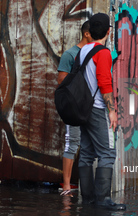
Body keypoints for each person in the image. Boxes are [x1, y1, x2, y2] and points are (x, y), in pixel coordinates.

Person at [78, 13, 126, 210]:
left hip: (83, 109)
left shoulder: (83, 51)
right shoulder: (103, 53)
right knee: (107, 152)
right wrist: (112, 111)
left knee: (87, 153)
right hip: (98, 109)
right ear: (108, 31)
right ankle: (103, 200)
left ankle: (88, 199)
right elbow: (105, 82)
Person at [57, 21, 92, 196]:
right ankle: (66, 186)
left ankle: (85, 187)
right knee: (72, 143)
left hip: (92, 106)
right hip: (76, 107)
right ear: (86, 34)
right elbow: (61, 80)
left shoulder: (97, 52)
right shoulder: (70, 54)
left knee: (89, 145)